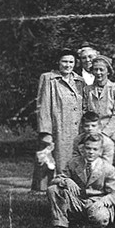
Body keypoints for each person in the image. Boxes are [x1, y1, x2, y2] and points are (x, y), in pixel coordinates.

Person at [45, 134, 115, 228]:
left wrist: (102, 202)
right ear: (82, 149)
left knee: (100, 216)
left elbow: (114, 194)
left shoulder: (107, 168)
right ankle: (61, 227)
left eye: (95, 149)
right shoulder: (74, 163)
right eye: (88, 148)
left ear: (100, 151)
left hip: (96, 201)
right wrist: (66, 180)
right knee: (53, 190)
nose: (91, 152)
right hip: (77, 199)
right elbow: (56, 179)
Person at [36, 49, 88, 185]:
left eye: (71, 62)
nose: (68, 65)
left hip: (78, 132)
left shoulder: (79, 81)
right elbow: (43, 106)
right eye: (64, 61)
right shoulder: (49, 78)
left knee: (78, 167)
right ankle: (59, 201)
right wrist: (45, 132)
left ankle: (74, 200)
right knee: (60, 167)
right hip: (59, 130)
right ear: (58, 62)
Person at [84, 56, 115, 141]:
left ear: (108, 71)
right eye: (95, 70)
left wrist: (104, 133)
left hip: (112, 133)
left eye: (101, 69)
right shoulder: (87, 90)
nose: (98, 72)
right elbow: (85, 111)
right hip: (92, 132)